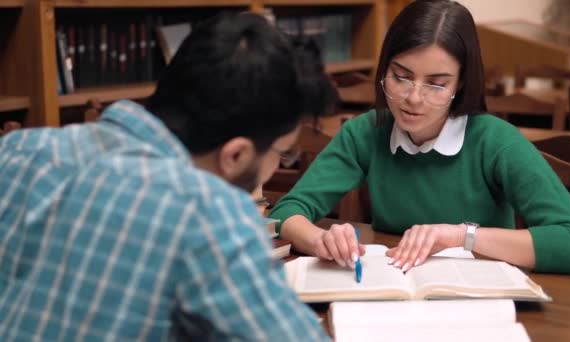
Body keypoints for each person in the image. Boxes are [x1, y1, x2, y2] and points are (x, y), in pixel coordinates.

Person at [0, 13, 335, 341]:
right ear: (236, 155)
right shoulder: (209, 213)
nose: (278, 164)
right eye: (282, 152)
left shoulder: (18, 149)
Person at [270, 0, 570, 276]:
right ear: (384, 70)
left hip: (480, 297)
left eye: (436, 84)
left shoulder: (496, 141)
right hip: (395, 289)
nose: (413, 98)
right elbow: (288, 211)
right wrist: (320, 239)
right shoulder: (365, 132)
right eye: (401, 77)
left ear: (460, 85)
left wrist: (461, 236)